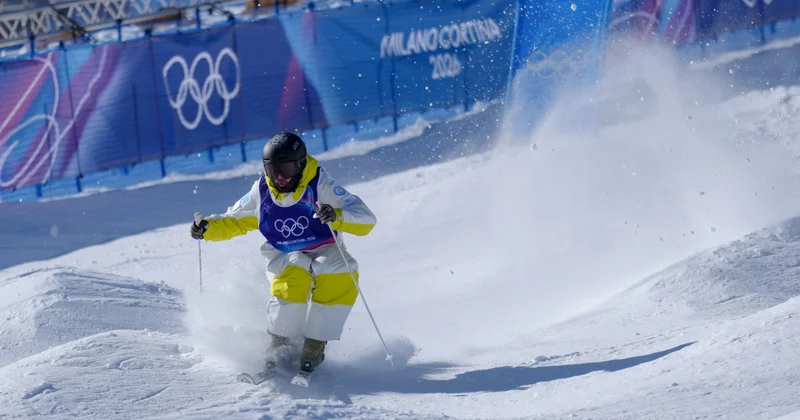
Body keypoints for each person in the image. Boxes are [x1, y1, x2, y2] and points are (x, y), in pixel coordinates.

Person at [189, 132, 377, 377]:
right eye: (272, 169)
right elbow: (234, 220)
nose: (279, 177)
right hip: (284, 252)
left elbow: (366, 219)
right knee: (296, 271)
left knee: (341, 270)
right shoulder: (262, 191)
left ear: (300, 164)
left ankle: (314, 346)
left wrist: (337, 215)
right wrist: (208, 228)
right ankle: (280, 343)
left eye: (286, 169)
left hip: (324, 248)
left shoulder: (319, 184)